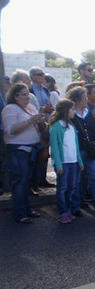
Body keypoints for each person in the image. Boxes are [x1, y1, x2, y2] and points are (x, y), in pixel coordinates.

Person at [2, 83, 44, 223]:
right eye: (24, 94)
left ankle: (26, 209)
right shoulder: (10, 109)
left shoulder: (31, 107)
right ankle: (20, 213)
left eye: (28, 94)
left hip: (32, 148)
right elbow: (10, 130)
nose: (28, 97)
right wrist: (31, 120)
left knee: (26, 181)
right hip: (18, 150)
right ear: (15, 96)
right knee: (20, 181)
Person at [67, 87, 95, 215]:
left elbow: (94, 130)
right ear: (77, 100)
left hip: (90, 151)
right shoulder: (71, 114)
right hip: (77, 151)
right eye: (84, 97)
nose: (87, 100)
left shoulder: (89, 112)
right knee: (77, 180)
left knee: (94, 178)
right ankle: (75, 206)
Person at [49, 99, 84, 224]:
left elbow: (76, 146)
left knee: (72, 186)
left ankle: (68, 209)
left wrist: (80, 161)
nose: (74, 111)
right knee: (63, 187)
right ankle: (63, 211)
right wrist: (58, 164)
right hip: (63, 163)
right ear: (65, 110)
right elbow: (55, 147)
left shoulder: (72, 126)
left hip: (73, 162)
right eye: (72, 109)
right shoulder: (56, 126)